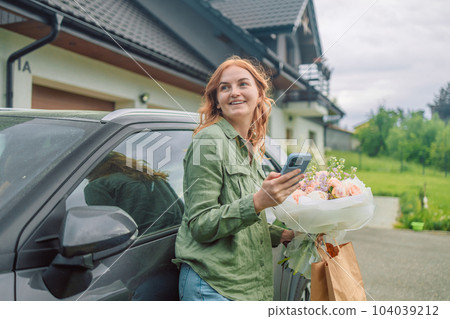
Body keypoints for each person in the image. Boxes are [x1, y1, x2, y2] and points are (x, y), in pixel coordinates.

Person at [173, 56, 306, 301]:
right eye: (225, 87)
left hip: (245, 288)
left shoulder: (249, 148)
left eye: (242, 84)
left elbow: (242, 220)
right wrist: (259, 201)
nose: (234, 92)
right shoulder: (209, 140)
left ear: (258, 93)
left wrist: (284, 235)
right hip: (214, 287)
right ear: (217, 100)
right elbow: (201, 224)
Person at [84, 151, 183, 234]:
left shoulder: (97, 187)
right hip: (180, 242)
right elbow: (183, 212)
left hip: (144, 250)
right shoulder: (153, 177)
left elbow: (106, 231)